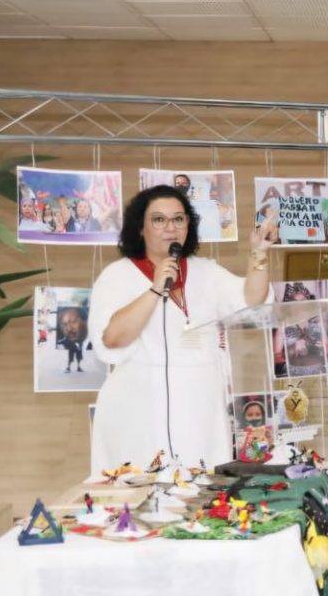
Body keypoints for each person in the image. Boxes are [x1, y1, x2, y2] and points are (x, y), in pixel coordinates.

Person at [87, 185, 275, 472]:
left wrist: (258, 254)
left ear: (189, 225)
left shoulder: (205, 271)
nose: (170, 228)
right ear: (140, 227)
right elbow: (112, 339)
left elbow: (252, 298)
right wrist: (153, 290)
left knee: (203, 492)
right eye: (159, 220)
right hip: (139, 407)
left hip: (201, 406)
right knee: (142, 495)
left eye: (179, 219)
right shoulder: (117, 276)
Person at [58, 306, 89, 373]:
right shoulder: (63, 340)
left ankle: (78, 367)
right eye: (65, 324)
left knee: (79, 356)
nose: (69, 328)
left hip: (79, 344)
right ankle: (68, 368)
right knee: (71, 356)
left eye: (74, 322)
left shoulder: (84, 337)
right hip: (71, 346)